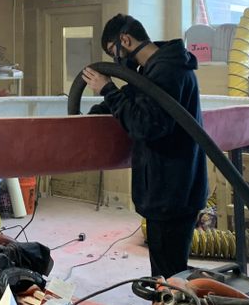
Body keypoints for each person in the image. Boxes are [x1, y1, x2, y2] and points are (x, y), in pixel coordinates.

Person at [81, 14, 207, 280]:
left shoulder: (166, 70)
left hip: (171, 188)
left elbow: (147, 125)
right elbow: (137, 100)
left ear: (125, 39)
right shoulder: (154, 69)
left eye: (112, 51)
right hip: (171, 187)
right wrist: (101, 109)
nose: (116, 60)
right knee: (167, 271)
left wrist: (108, 89)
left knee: (169, 277)